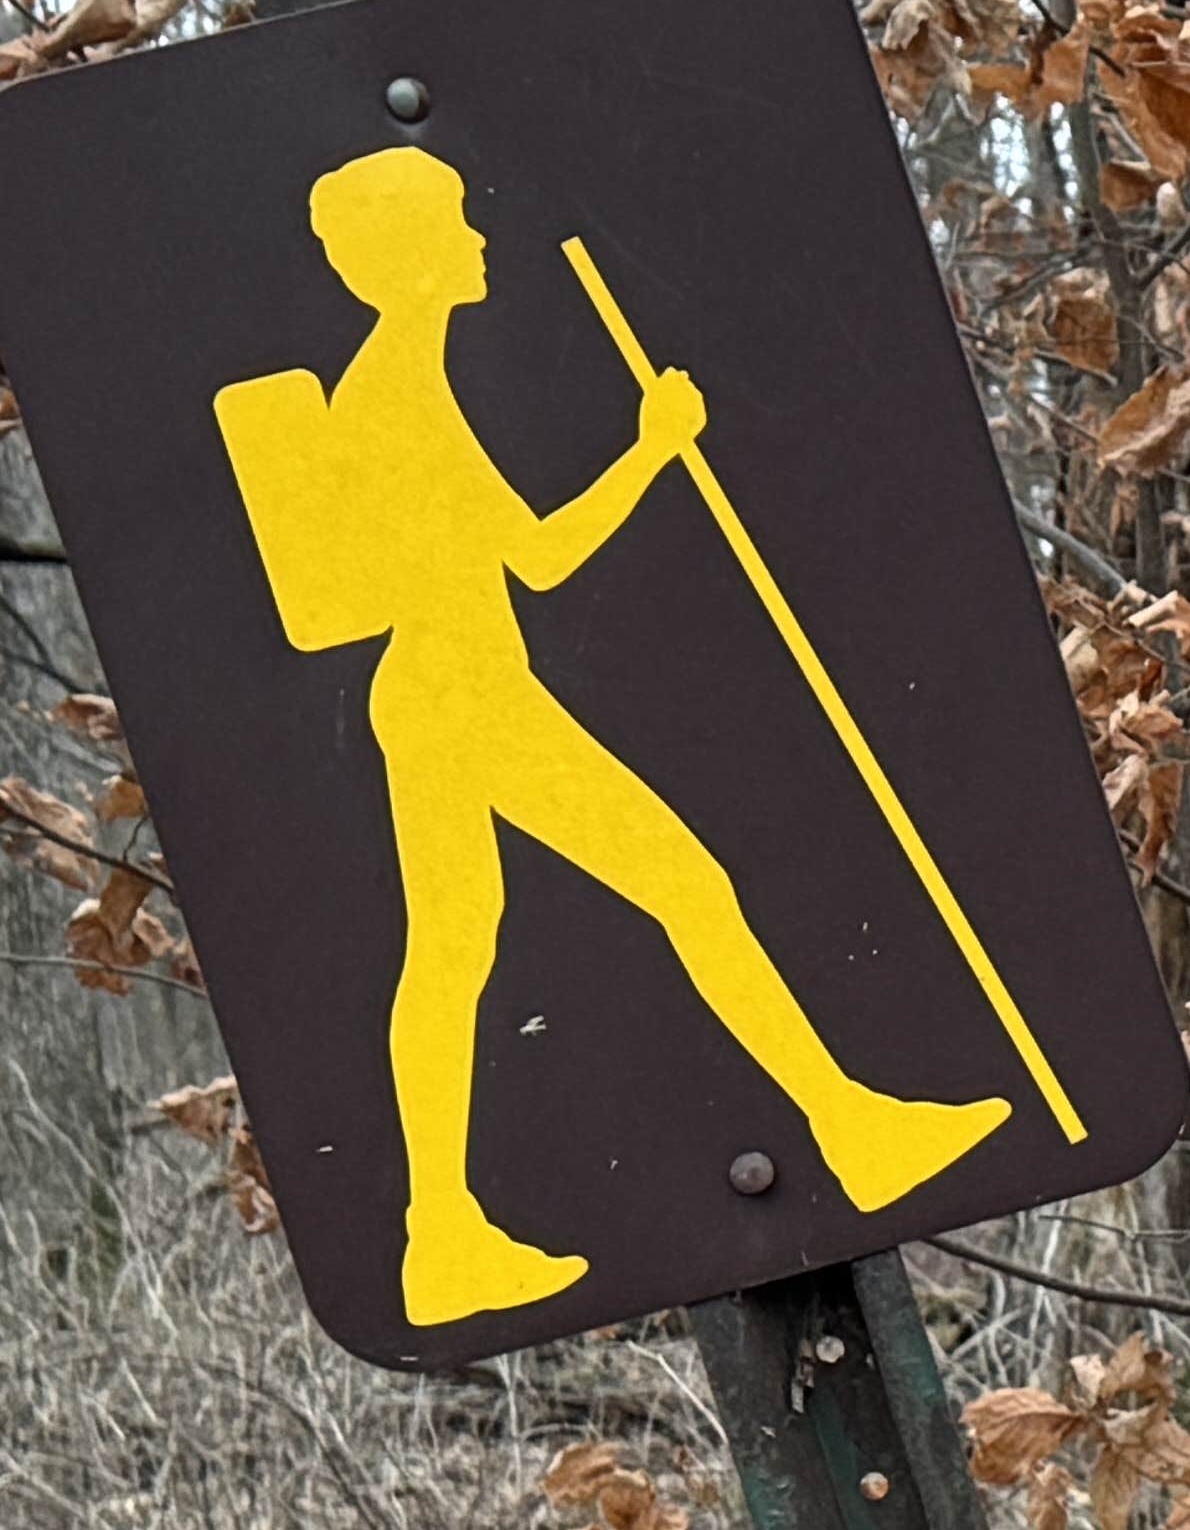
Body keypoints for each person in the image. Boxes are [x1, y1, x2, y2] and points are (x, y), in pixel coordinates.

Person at [209, 146, 1004, 1322]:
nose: (480, 240)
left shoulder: (409, 380)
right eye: (456, 225)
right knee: (676, 887)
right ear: (410, 253)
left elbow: (521, 557)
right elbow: (537, 559)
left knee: (455, 955)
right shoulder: (395, 394)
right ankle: (847, 1128)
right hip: (461, 697)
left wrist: (649, 446)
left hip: (451, 692)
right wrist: (655, 445)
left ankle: (442, 1239)